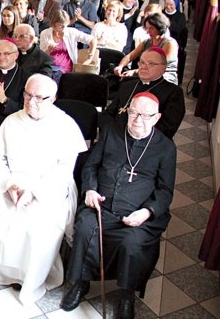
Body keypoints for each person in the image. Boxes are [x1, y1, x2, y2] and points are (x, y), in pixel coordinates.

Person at [62, 92, 176, 319]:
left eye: (145, 115)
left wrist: (146, 212)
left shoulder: (165, 147)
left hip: (138, 214)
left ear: (156, 117)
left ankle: (126, 294)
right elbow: (90, 167)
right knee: (85, 229)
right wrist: (91, 189)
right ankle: (81, 283)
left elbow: (165, 190)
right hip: (100, 206)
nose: (137, 120)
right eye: (133, 112)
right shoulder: (111, 133)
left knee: (132, 242)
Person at [0, 73, 87, 305]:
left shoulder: (65, 125)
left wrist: (33, 191)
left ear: (53, 98)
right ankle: (1, 274)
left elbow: (64, 172)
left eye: (39, 97)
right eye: (27, 96)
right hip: (12, 185)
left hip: (50, 190)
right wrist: (10, 186)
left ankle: (31, 280)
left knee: (38, 230)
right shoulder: (11, 121)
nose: (31, 102)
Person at [103, 47, 185, 139]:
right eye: (142, 62)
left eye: (151, 63)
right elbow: (109, 113)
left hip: (146, 145)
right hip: (114, 137)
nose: (144, 67)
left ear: (163, 68)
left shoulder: (173, 93)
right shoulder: (127, 85)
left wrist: (131, 138)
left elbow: (167, 128)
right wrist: (111, 134)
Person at [113, 11, 178, 84]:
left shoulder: (169, 43)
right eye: (147, 28)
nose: (148, 32)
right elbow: (130, 56)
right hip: (147, 72)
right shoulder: (147, 42)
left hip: (165, 76)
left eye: (151, 28)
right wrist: (120, 66)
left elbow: (158, 65)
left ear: (160, 27)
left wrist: (135, 71)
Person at [40, 10, 97, 81]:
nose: (64, 28)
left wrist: (90, 57)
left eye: (65, 25)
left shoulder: (71, 32)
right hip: (49, 66)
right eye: (61, 26)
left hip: (65, 67)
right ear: (54, 24)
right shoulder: (45, 33)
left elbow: (92, 40)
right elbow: (41, 56)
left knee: (55, 77)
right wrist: (48, 50)